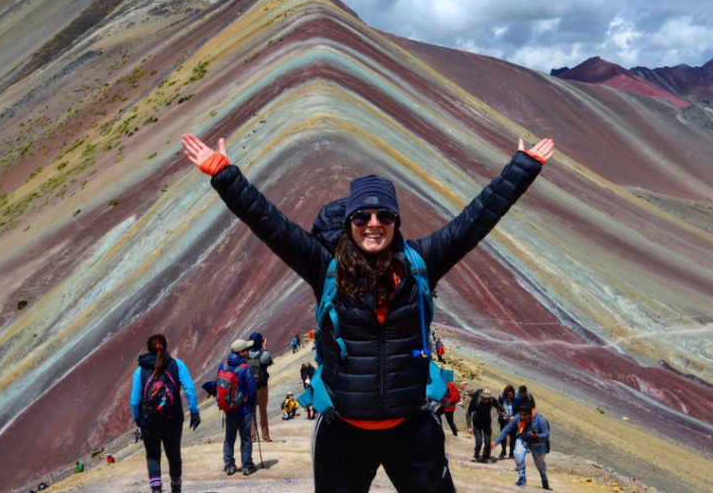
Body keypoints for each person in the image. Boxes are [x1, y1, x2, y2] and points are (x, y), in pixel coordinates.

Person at [182, 132, 554, 493]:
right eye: (362, 216)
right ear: (349, 223)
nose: (373, 224)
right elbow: (269, 224)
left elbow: (475, 220)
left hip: (413, 430)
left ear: (396, 221)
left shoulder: (421, 263)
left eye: (384, 215)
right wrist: (223, 173)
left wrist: (522, 168)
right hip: (342, 433)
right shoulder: (324, 266)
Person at [131, 334, 200, 493]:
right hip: (173, 420)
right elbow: (189, 389)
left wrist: (137, 419)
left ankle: (156, 489)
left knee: (153, 456)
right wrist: (194, 412)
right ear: (165, 347)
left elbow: (135, 400)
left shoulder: (140, 371)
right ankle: (176, 488)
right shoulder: (177, 365)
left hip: (149, 422)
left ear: (148, 350)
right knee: (174, 454)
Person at [218, 338, 259, 475]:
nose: (248, 351)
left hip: (229, 409)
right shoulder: (245, 369)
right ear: (241, 352)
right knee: (246, 437)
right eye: (246, 349)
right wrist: (254, 404)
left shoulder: (223, 366)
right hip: (244, 409)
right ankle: (247, 465)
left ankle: (229, 465)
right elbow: (252, 391)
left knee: (229, 437)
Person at [495, 403, 551, 489]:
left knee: (539, 463)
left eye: (525, 415)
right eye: (521, 415)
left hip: (538, 442)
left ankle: (544, 479)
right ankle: (522, 478)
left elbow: (546, 434)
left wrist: (537, 436)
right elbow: (508, 429)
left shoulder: (540, 420)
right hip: (523, 439)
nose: (523, 417)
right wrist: (497, 441)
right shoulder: (518, 418)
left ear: (530, 413)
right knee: (518, 455)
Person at [247, 331, 274, 442]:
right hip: (262, 387)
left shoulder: (246, 355)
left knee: (251, 413)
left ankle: (252, 437)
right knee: (263, 412)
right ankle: (265, 437)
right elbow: (270, 362)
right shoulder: (263, 355)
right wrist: (265, 348)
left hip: (250, 389)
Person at [467, 388, 502, 462]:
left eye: (487, 399)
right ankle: (476, 452)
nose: (486, 400)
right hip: (477, 423)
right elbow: (468, 413)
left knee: (488, 441)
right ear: (481, 397)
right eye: (484, 399)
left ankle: (486, 457)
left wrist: (502, 411)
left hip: (487, 423)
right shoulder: (475, 401)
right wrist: (469, 426)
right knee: (479, 441)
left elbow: (498, 406)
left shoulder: (491, 400)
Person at [497, 385, 517, 458]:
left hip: (513, 421)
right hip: (504, 419)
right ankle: (503, 451)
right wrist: (500, 412)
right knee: (503, 435)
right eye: (507, 395)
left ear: (512, 393)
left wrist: (514, 416)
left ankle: (511, 453)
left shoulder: (517, 398)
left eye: (510, 395)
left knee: (513, 437)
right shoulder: (502, 396)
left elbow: (520, 409)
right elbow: (497, 405)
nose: (508, 396)